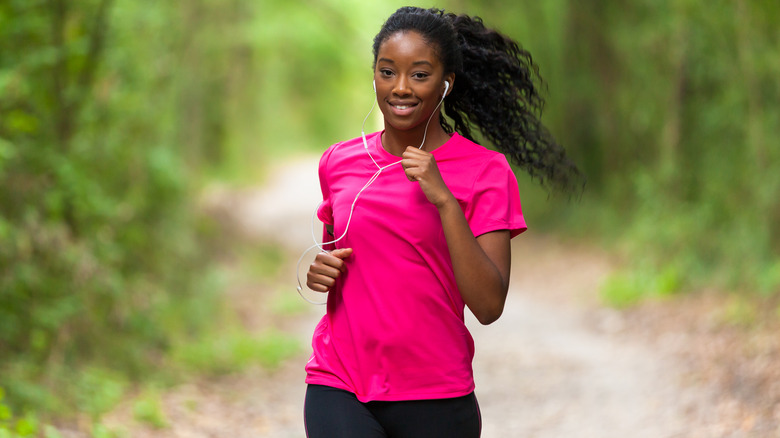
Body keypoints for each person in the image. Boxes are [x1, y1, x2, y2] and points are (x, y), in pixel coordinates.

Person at [302, 6, 582, 437]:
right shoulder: (339, 162)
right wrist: (321, 271)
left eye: (419, 74)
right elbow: (337, 256)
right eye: (387, 71)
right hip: (339, 382)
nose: (400, 88)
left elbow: (489, 306)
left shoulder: (485, 171)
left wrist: (446, 203)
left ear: (445, 83)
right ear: (374, 75)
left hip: (436, 394)